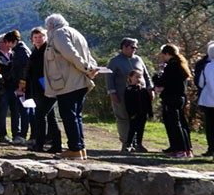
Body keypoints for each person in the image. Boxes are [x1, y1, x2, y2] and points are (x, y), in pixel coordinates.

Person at [43, 13, 99, 160]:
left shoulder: (59, 33)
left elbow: (70, 54)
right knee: (76, 116)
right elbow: (87, 54)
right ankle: (80, 149)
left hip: (68, 82)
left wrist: (87, 68)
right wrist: (91, 68)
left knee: (68, 115)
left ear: (50, 26)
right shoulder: (76, 33)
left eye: (47, 27)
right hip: (79, 81)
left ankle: (74, 148)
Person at [106, 38, 154, 152]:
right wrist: (112, 93)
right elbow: (109, 78)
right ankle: (126, 143)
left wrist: (150, 89)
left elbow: (146, 76)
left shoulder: (138, 59)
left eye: (136, 48)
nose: (135, 50)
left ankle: (138, 144)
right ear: (124, 47)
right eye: (133, 47)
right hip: (122, 95)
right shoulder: (114, 61)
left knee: (139, 119)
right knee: (123, 118)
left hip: (140, 96)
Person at [23, 27, 61, 153]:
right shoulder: (34, 51)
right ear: (32, 39)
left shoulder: (48, 51)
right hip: (37, 88)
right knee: (50, 117)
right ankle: (57, 145)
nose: (38, 39)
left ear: (45, 38)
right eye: (35, 37)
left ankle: (39, 144)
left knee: (40, 115)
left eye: (40, 37)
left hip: (48, 88)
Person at [154, 43, 193, 159]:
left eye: (163, 55)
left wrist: (156, 77)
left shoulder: (171, 66)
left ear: (167, 54)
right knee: (181, 123)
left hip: (171, 97)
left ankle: (180, 149)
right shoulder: (181, 64)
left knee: (174, 124)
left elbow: (163, 82)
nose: (162, 57)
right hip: (180, 97)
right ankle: (186, 148)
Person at [123, 69, 152, 153]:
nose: (138, 79)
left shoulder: (143, 90)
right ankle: (129, 144)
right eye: (136, 77)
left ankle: (139, 144)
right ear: (130, 77)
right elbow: (127, 103)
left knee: (141, 129)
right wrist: (131, 113)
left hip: (143, 113)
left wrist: (150, 112)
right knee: (132, 129)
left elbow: (148, 102)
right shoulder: (128, 89)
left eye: (140, 77)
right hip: (134, 114)